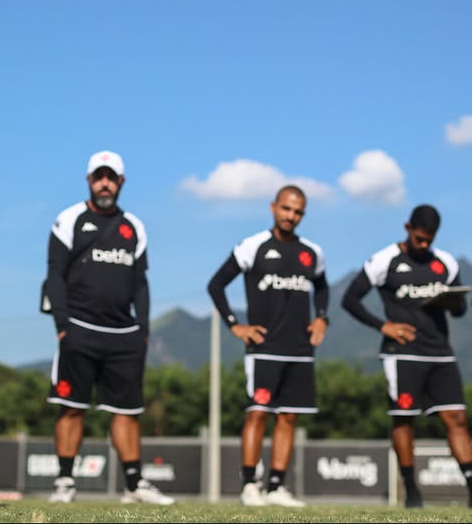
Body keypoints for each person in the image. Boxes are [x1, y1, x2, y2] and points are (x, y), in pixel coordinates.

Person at [341, 204, 472, 509]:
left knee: (456, 418)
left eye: (429, 239)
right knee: (404, 420)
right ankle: (412, 493)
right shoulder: (384, 260)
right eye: (419, 238)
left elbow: (459, 311)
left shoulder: (444, 262)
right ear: (407, 228)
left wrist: (452, 302)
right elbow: (349, 299)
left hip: (440, 351)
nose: (424, 245)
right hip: (402, 353)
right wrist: (384, 325)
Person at [41, 150, 174, 506]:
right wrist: (62, 325)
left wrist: (143, 329)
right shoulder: (69, 220)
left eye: (111, 177)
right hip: (78, 330)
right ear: (89, 180)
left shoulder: (134, 226)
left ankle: (134, 484)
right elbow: (54, 274)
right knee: (71, 407)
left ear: (121, 182)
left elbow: (141, 282)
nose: (105, 183)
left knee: (127, 414)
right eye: (99, 176)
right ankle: (65, 482)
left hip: (124, 336)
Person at [207, 185, 329, 508]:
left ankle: (276, 486)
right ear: (274, 207)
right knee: (258, 413)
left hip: (300, 350)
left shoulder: (312, 252)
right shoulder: (253, 246)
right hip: (264, 347)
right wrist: (235, 324)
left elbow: (322, 287)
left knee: (288, 417)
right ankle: (250, 484)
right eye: (287, 209)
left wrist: (322, 318)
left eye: (299, 211)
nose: (292, 216)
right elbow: (216, 284)